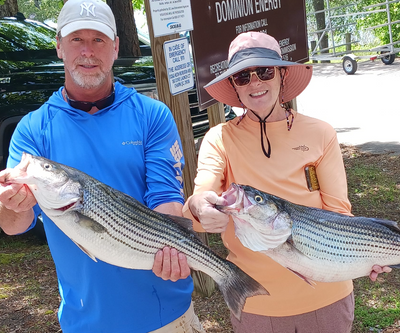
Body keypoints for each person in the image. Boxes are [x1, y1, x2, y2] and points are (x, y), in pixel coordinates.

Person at [0, 0, 204, 332]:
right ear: (59, 48)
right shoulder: (33, 129)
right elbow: (14, 225)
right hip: (86, 319)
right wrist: (10, 203)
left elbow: (166, 199)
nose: (88, 51)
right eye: (76, 39)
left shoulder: (152, 115)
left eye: (98, 40)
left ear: (115, 47)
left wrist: (175, 248)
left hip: (166, 313)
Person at [183, 31, 391, 333]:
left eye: (265, 71)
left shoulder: (320, 133)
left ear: (281, 75)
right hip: (256, 302)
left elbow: (338, 212)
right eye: (243, 76)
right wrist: (200, 206)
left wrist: (369, 252)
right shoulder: (219, 139)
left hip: (327, 299)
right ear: (233, 86)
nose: (255, 82)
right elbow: (201, 199)